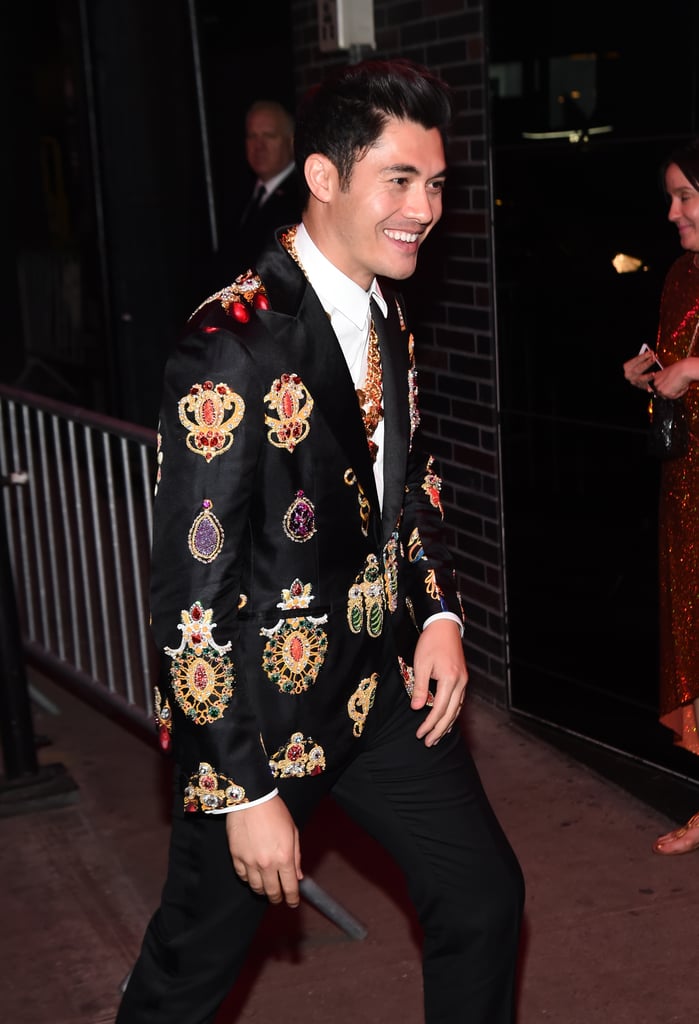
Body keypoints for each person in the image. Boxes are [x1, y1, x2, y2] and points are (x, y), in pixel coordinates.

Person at [116, 58, 524, 1023]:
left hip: (377, 687)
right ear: (324, 177)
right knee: (188, 974)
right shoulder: (232, 340)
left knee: (482, 895)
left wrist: (437, 613)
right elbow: (191, 591)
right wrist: (236, 786)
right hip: (260, 719)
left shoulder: (385, 310)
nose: (422, 208)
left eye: (434, 184)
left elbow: (407, 482)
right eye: (399, 180)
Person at [623, 137, 699, 855]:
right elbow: (669, 366)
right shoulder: (679, 275)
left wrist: (695, 367)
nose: (672, 212)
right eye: (671, 197)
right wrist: (650, 372)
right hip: (687, 486)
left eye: (685, 197)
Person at [213, 99, 303, 282]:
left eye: (268, 136)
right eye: (252, 136)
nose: (258, 146)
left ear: (291, 141)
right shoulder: (238, 195)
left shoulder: (303, 196)